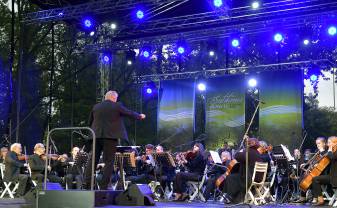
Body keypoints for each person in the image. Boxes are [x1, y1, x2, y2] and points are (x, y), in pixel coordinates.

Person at [84, 90, 146, 190]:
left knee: (92, 160)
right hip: (110, 137)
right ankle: (104, 186)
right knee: (109, 161)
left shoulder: (96, 107)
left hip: (95, 136)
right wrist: (140, 116)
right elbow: (129, 113)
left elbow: (90, 122)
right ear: (113, 98)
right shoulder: (116, 106)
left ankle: (86, 185)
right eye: (116, 98)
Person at [222, 137, 262, 204]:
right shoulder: (258, 153)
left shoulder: (248, 152)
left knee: (230, 177)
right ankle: (234, 197)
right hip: (258, 178)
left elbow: (236, 156)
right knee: (236, 176)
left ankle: (231, 197)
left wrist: (241, 151)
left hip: (248, 179)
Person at [296, 137, 328, 203]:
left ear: (324, 143)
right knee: (303, 176)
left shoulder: (326, 152)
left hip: (323, 172)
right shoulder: (317, 152)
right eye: (317, 144)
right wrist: (306, 164)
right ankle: (303, 197)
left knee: (312, 178)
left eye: (319, 143)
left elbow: (325, 162)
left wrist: (321, 152)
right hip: (317, 170)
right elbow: (313, 161)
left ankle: (315, 197)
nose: (318, 145)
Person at [310, 136, 337, 206]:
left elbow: (332, 158)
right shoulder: (332, 151)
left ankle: (320, 199)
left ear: (335, 143)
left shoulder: (333, 152)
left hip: (335, 177)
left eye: (329, 143)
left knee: (316, 179)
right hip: (332, 175)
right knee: (315, 179)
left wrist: (329, 151)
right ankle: (320, 199)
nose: (328, 145)